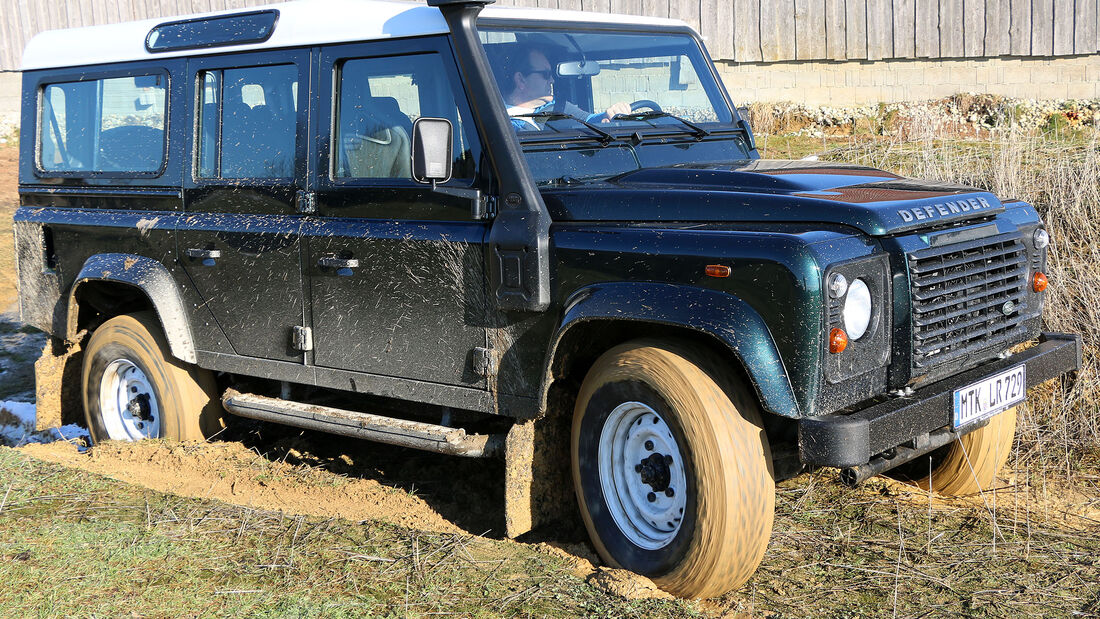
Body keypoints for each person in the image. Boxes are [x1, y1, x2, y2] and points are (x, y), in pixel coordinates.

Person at [501, 44, 631, 130]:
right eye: (546, 74)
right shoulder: (498, 119)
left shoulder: (558, 106)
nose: (552, 80)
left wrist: (609, 114)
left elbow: (588, 120)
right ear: (521, 80)